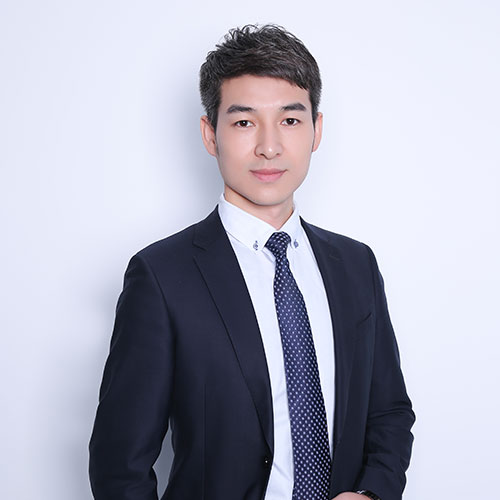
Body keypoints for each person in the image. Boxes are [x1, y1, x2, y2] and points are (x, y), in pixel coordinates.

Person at [89, 24, 415, 500]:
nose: (269, 146)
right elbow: (120, 465)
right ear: (210, 134)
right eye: (244, 122)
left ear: (317, 130)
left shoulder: (355, 264)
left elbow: (388, 411)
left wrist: (371, 494)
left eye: (290, 120)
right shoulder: (161, 277)